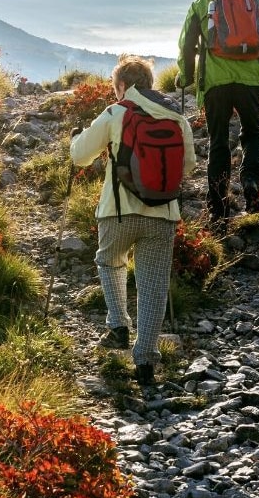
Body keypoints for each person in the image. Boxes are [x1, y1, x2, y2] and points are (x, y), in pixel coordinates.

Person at [70, 55, 197, 384]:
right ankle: (145, 362)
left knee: (110, 260)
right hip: (164, 215)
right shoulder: (176, 116)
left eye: (116, 88)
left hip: (119, 212)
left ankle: (118, 326)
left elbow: (79, 155)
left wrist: (76, 138)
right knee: (153, 286)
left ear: (123, 85)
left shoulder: (117, 112)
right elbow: (188, 166)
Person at [177, 0, 259, 226]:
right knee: (253, 134)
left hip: (216, 84)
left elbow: (186, 43)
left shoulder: (201, 4)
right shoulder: (254, 3)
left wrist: (186, 78)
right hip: (250, 81)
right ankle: (250, 180)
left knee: (218, 141)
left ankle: (218, 208)